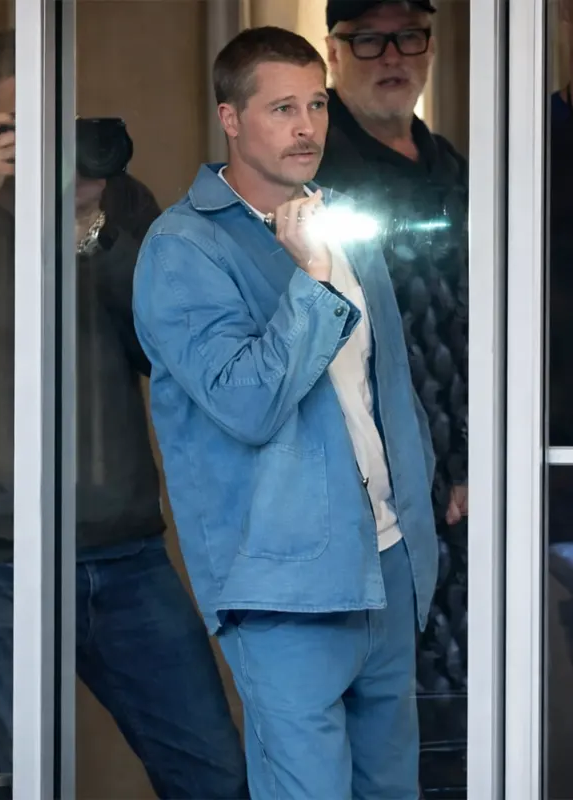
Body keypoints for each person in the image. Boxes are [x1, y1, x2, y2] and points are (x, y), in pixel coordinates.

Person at [133, 25, 438, 799]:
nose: (306, 127)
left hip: (386, 560)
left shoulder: (342, 221)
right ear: (231, 119)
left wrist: (418, 515)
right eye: (281, 109)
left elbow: (387, 387)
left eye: (315, 106)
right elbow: (250, 404)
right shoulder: (183, 248)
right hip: (282, 590)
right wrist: (310, 279)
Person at [0, 30, 248, 800]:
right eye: (13, 125)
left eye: (50, 115)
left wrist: (93, 230)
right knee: (9, 785)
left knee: (214, 775)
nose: (37, 140)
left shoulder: (116, 201)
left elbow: (162, 348)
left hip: (123, 551)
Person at [316, 1, 469, 787]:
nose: (392, 56)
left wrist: (479, 459)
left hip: (473, 488)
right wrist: (433, 471)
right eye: (368, 39)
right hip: (380, 502)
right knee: (395, 729)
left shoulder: (455, 167)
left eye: (408, 36)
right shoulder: (319, 177)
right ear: (334, 53)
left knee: (472, 715)